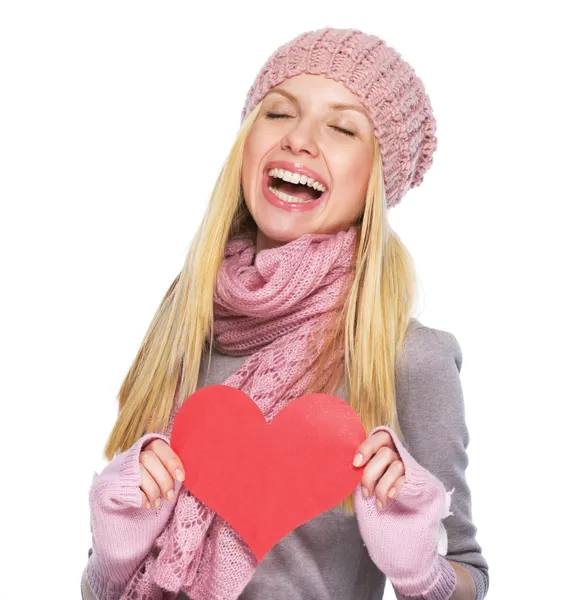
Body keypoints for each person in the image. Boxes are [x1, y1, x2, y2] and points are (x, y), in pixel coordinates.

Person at [81, 27, 490, 600]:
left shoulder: (407, 358)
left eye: (342, 126)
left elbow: (469, 572)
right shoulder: (184, 325)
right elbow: (103, 588)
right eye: (277, 114)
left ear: (376, 177)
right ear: (247, 144)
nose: (299, 139)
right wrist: (111, 561)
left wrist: (421, 570)